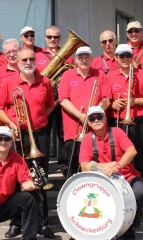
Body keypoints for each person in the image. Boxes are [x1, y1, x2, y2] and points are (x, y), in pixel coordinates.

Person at [0, 47, 55, 238]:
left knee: (41, 177)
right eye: (24, 60)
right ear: (18, 62)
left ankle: (42, 224)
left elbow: (50, 106)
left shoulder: (44, 81)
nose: (28, 62)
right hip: (18, 136)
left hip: (40, 135)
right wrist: (12, 124)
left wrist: (36, 123)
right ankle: (16, 223)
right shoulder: (9, 82)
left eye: (31, 59)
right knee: (16, 179)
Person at [79, 105, 143, 240]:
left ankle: (130, 222)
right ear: (89, 123)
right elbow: (84, 166)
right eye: (92, 118)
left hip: (127, 177)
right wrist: (107, 165)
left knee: (139, 190)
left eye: (99, 117)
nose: (96, 120)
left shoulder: (117, 132)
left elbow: (132, 151)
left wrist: (117, 167)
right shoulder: (86, 139)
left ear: (105, 118)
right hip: (104, 181)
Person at [58, 46, 111, 177]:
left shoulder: (100, 74)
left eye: (87, 57)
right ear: (76, 59)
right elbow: (63, 100)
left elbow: (107, 99)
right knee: (73, 169)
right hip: (73, 130)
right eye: (81, 57)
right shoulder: (67, 75)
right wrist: (81, 116)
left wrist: (94, 115)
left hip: (96, 130)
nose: (84, 60)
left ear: (92, 59)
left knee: (95, 168)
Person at [35, 25, 74, 175]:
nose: (52, 40)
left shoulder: (68, 55)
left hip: (61, 101)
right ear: (45, 38)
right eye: (50, 37)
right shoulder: (38, 55)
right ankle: (42, 165)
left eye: (56, 37)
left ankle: (64, 166)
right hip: (44, 101)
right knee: (44, 133)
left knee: (62, 134)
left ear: (60, 39)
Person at [106, 44, 143, 177]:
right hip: (117, 121)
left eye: (128, 56)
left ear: (132, 57)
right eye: (122, 56)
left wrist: (136, 101)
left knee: (140, 156)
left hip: (139, 121)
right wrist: (112, 105)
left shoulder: (141, 74)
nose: (125, 58)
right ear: (116, 57)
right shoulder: (109, 76)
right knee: (118, 155)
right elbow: (104, 99)